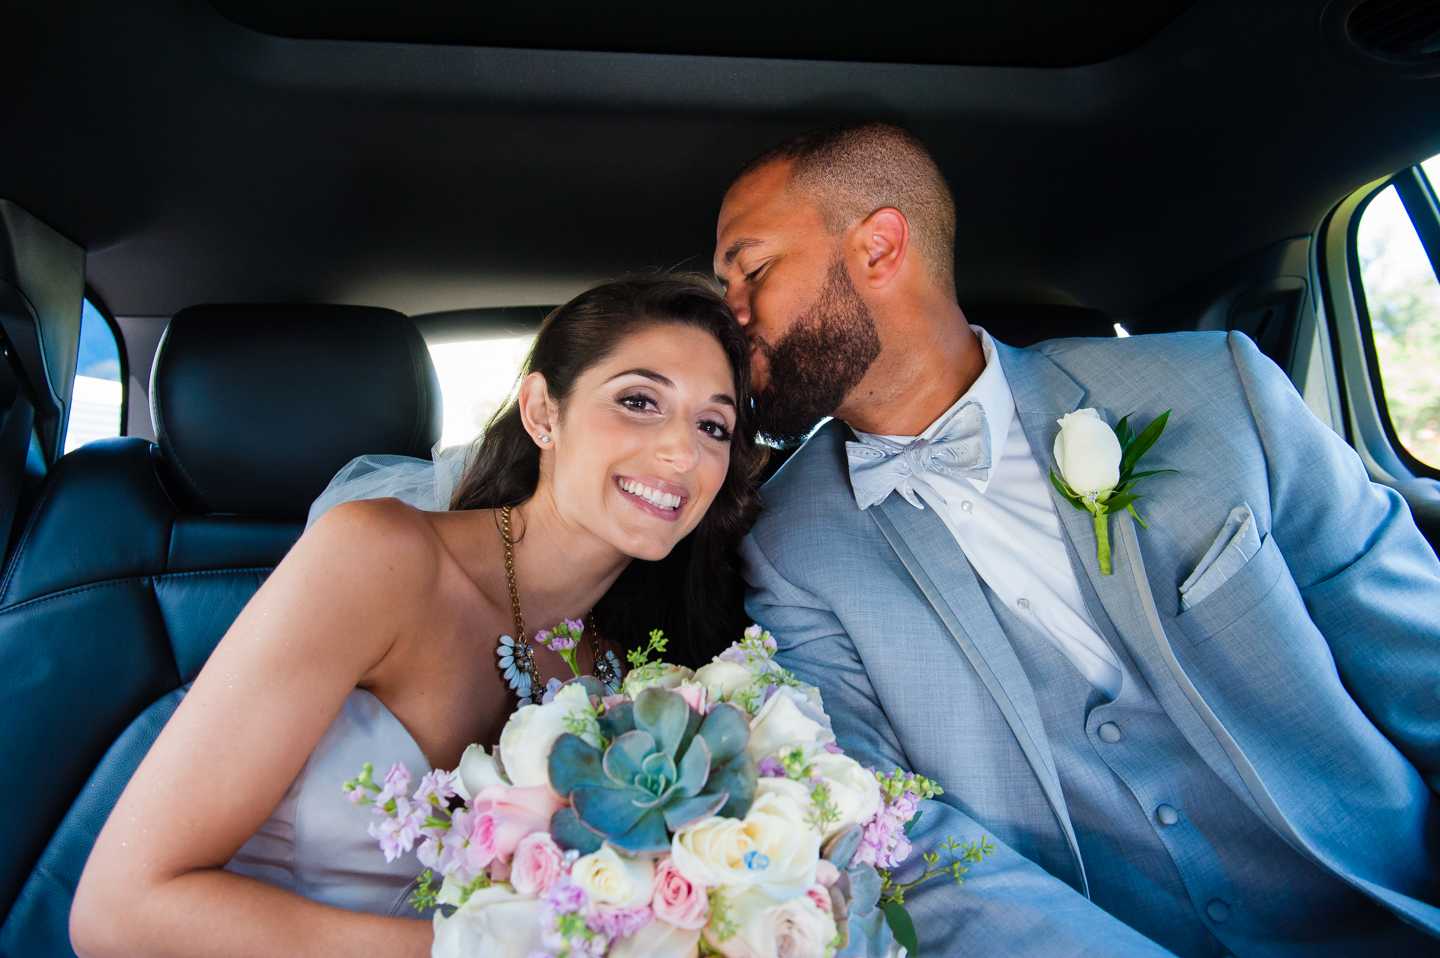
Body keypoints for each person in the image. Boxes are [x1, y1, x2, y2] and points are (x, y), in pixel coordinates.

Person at [720, 122, 1440, 957]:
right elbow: (881, 824)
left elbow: (1421, 664)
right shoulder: (786, 543)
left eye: (753, 269)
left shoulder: (1217, 391)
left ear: (879, 249)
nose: (729, 314)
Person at [70, 278, 762, 958]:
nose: (683, 453)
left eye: (713, 426)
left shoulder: (644, 675)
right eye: (639, 401)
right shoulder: (377, 558)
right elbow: (121, 912)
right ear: (542, 413)